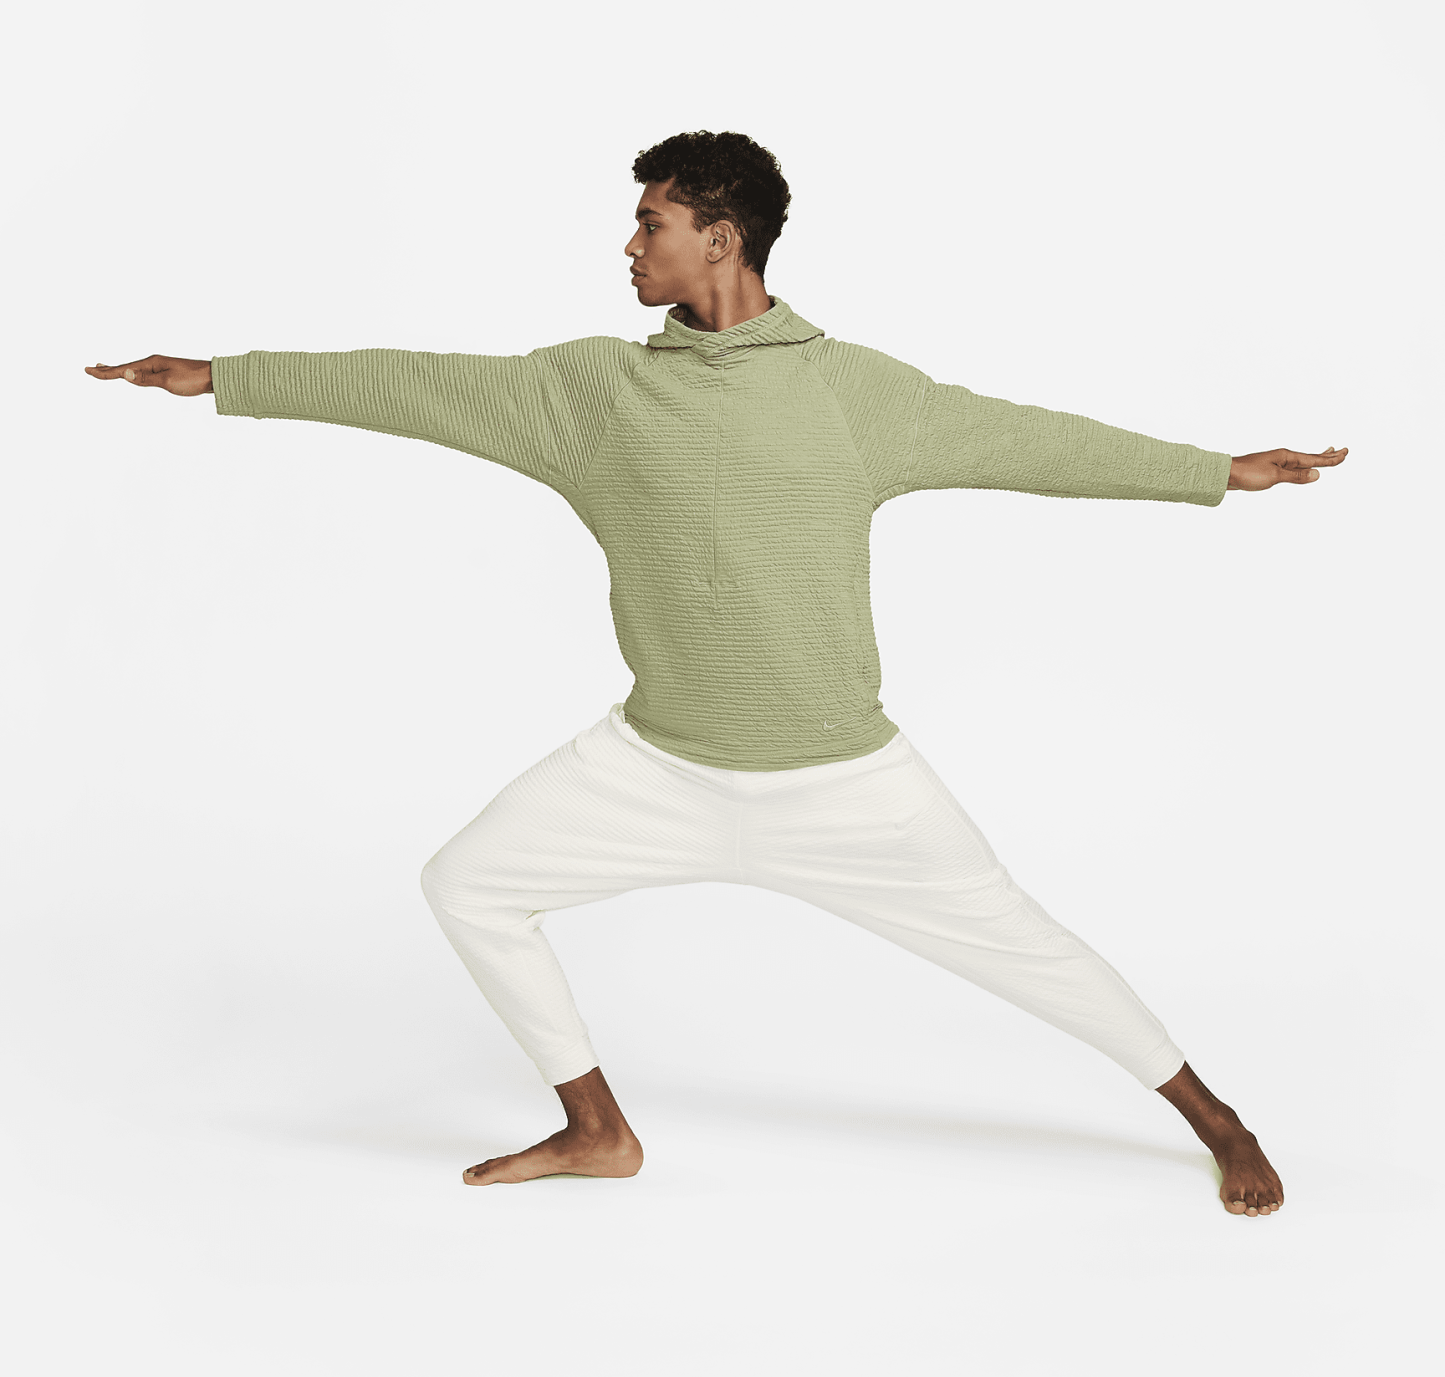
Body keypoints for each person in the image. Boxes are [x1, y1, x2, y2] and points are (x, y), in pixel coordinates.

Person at [85, 130, 1347, 1215]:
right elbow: (417, 386)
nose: (630, 246)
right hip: (657, 766)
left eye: (651, 224)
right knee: (466, 883)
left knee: (1030, 947)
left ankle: (1215, 1115)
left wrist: (1212, 471)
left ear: (721, 239)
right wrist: (227, 378)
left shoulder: (850, 391)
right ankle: (596, 1127)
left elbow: (1024, 440)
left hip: (844, 782)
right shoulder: (591, 392)